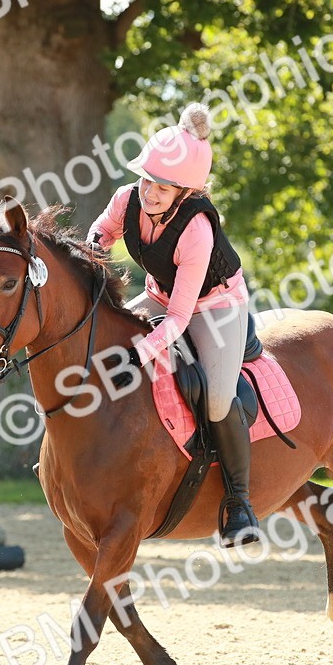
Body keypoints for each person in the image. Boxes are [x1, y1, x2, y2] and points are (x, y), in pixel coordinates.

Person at [87, 103, 261, 548]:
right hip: (161, 294)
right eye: (148, 179)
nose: (151, 192)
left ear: (187, 193)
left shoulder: (197, 230)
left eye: (165, 187)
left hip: (215, 310)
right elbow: (101, 232)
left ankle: (239, 503)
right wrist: (90, 253)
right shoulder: (127, 198)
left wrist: (138, 354)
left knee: (218, 399)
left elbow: (180, 320)